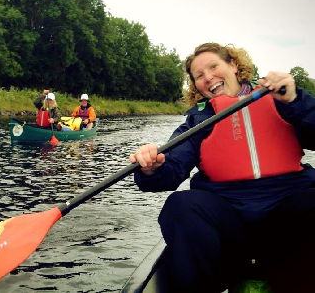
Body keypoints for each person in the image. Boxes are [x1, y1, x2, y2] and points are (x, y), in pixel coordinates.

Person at [129, 42, 315, 293]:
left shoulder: (282, 100)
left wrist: (296, 99)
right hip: (229, 225)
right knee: (181, 205)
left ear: (234, 65)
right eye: (199, 76)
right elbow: (170, 171)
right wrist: (152, 168)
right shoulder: (198, 119)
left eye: (213, 66)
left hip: (287, 217)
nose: (208, 78)